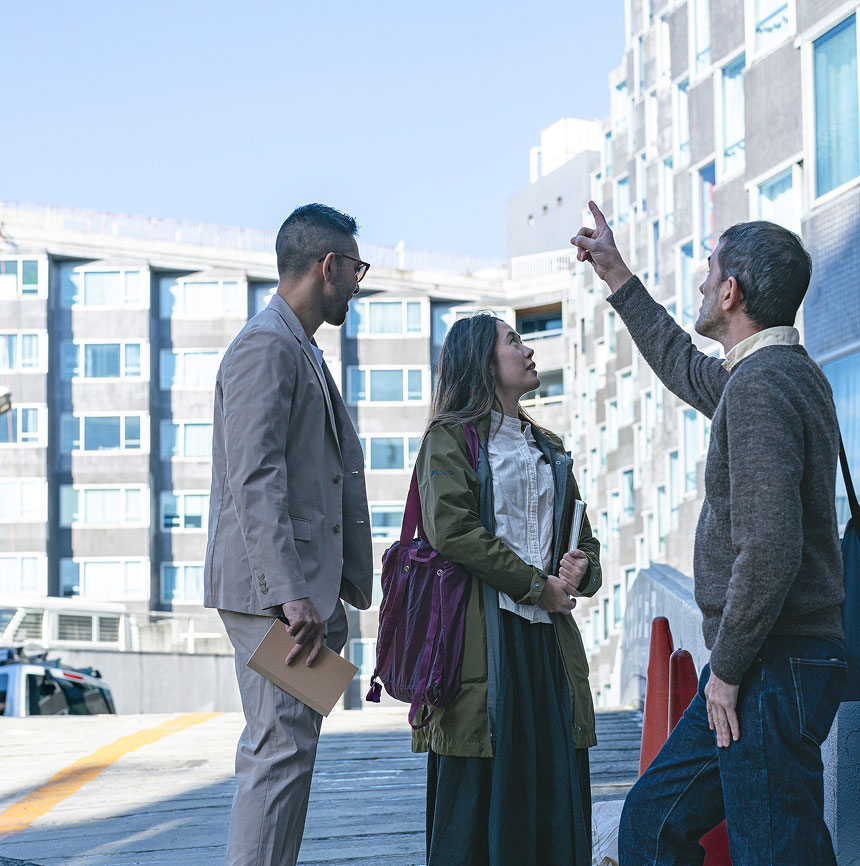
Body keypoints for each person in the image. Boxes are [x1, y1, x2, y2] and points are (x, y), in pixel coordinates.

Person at [572, 201, 846, 865]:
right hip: (766, 663)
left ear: (731, 292)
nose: (699, 285)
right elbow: (682, 364)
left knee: (774, 851)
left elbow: (772, 547)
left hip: (764, 665)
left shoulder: (761, 388)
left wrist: (723, 671)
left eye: (709, 273)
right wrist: (617, 275)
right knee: (652, 822)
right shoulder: (775, 374)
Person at [203, 203, 374, 866]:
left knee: (290, 745)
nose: (359, 282)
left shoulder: (296, 345)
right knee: (277, 749)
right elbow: (254, 478)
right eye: (355, 268)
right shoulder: (265, 345)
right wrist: (290, 592)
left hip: (292, 592)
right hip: (269, 592)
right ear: (327, 266)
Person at [410, 313, 602, 866]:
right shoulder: (449, 439)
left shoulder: (549, 447)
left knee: (550, 796)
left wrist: (577, 569)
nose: (527, 349)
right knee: (479, 799)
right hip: (482, 648)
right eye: (514, 341)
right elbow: (451, 530)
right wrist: (533, 586)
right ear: (484, 363)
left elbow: (585, 538)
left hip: (547, 648)